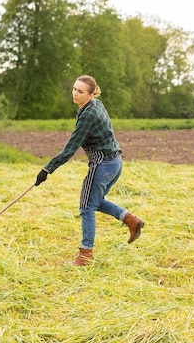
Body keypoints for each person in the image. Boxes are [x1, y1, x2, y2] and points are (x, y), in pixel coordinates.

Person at [34, 75, 144, 266]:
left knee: (86, 208)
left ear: (92, 94)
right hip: (115, 162)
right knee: (94, 202)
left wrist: (47, 169)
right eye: (74, 89)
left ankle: (85, 255)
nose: (75, 94)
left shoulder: (87, 116)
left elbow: (70, 149)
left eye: (80, 91)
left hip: (102, 164)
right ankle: (130, 220)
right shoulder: (95, 105)